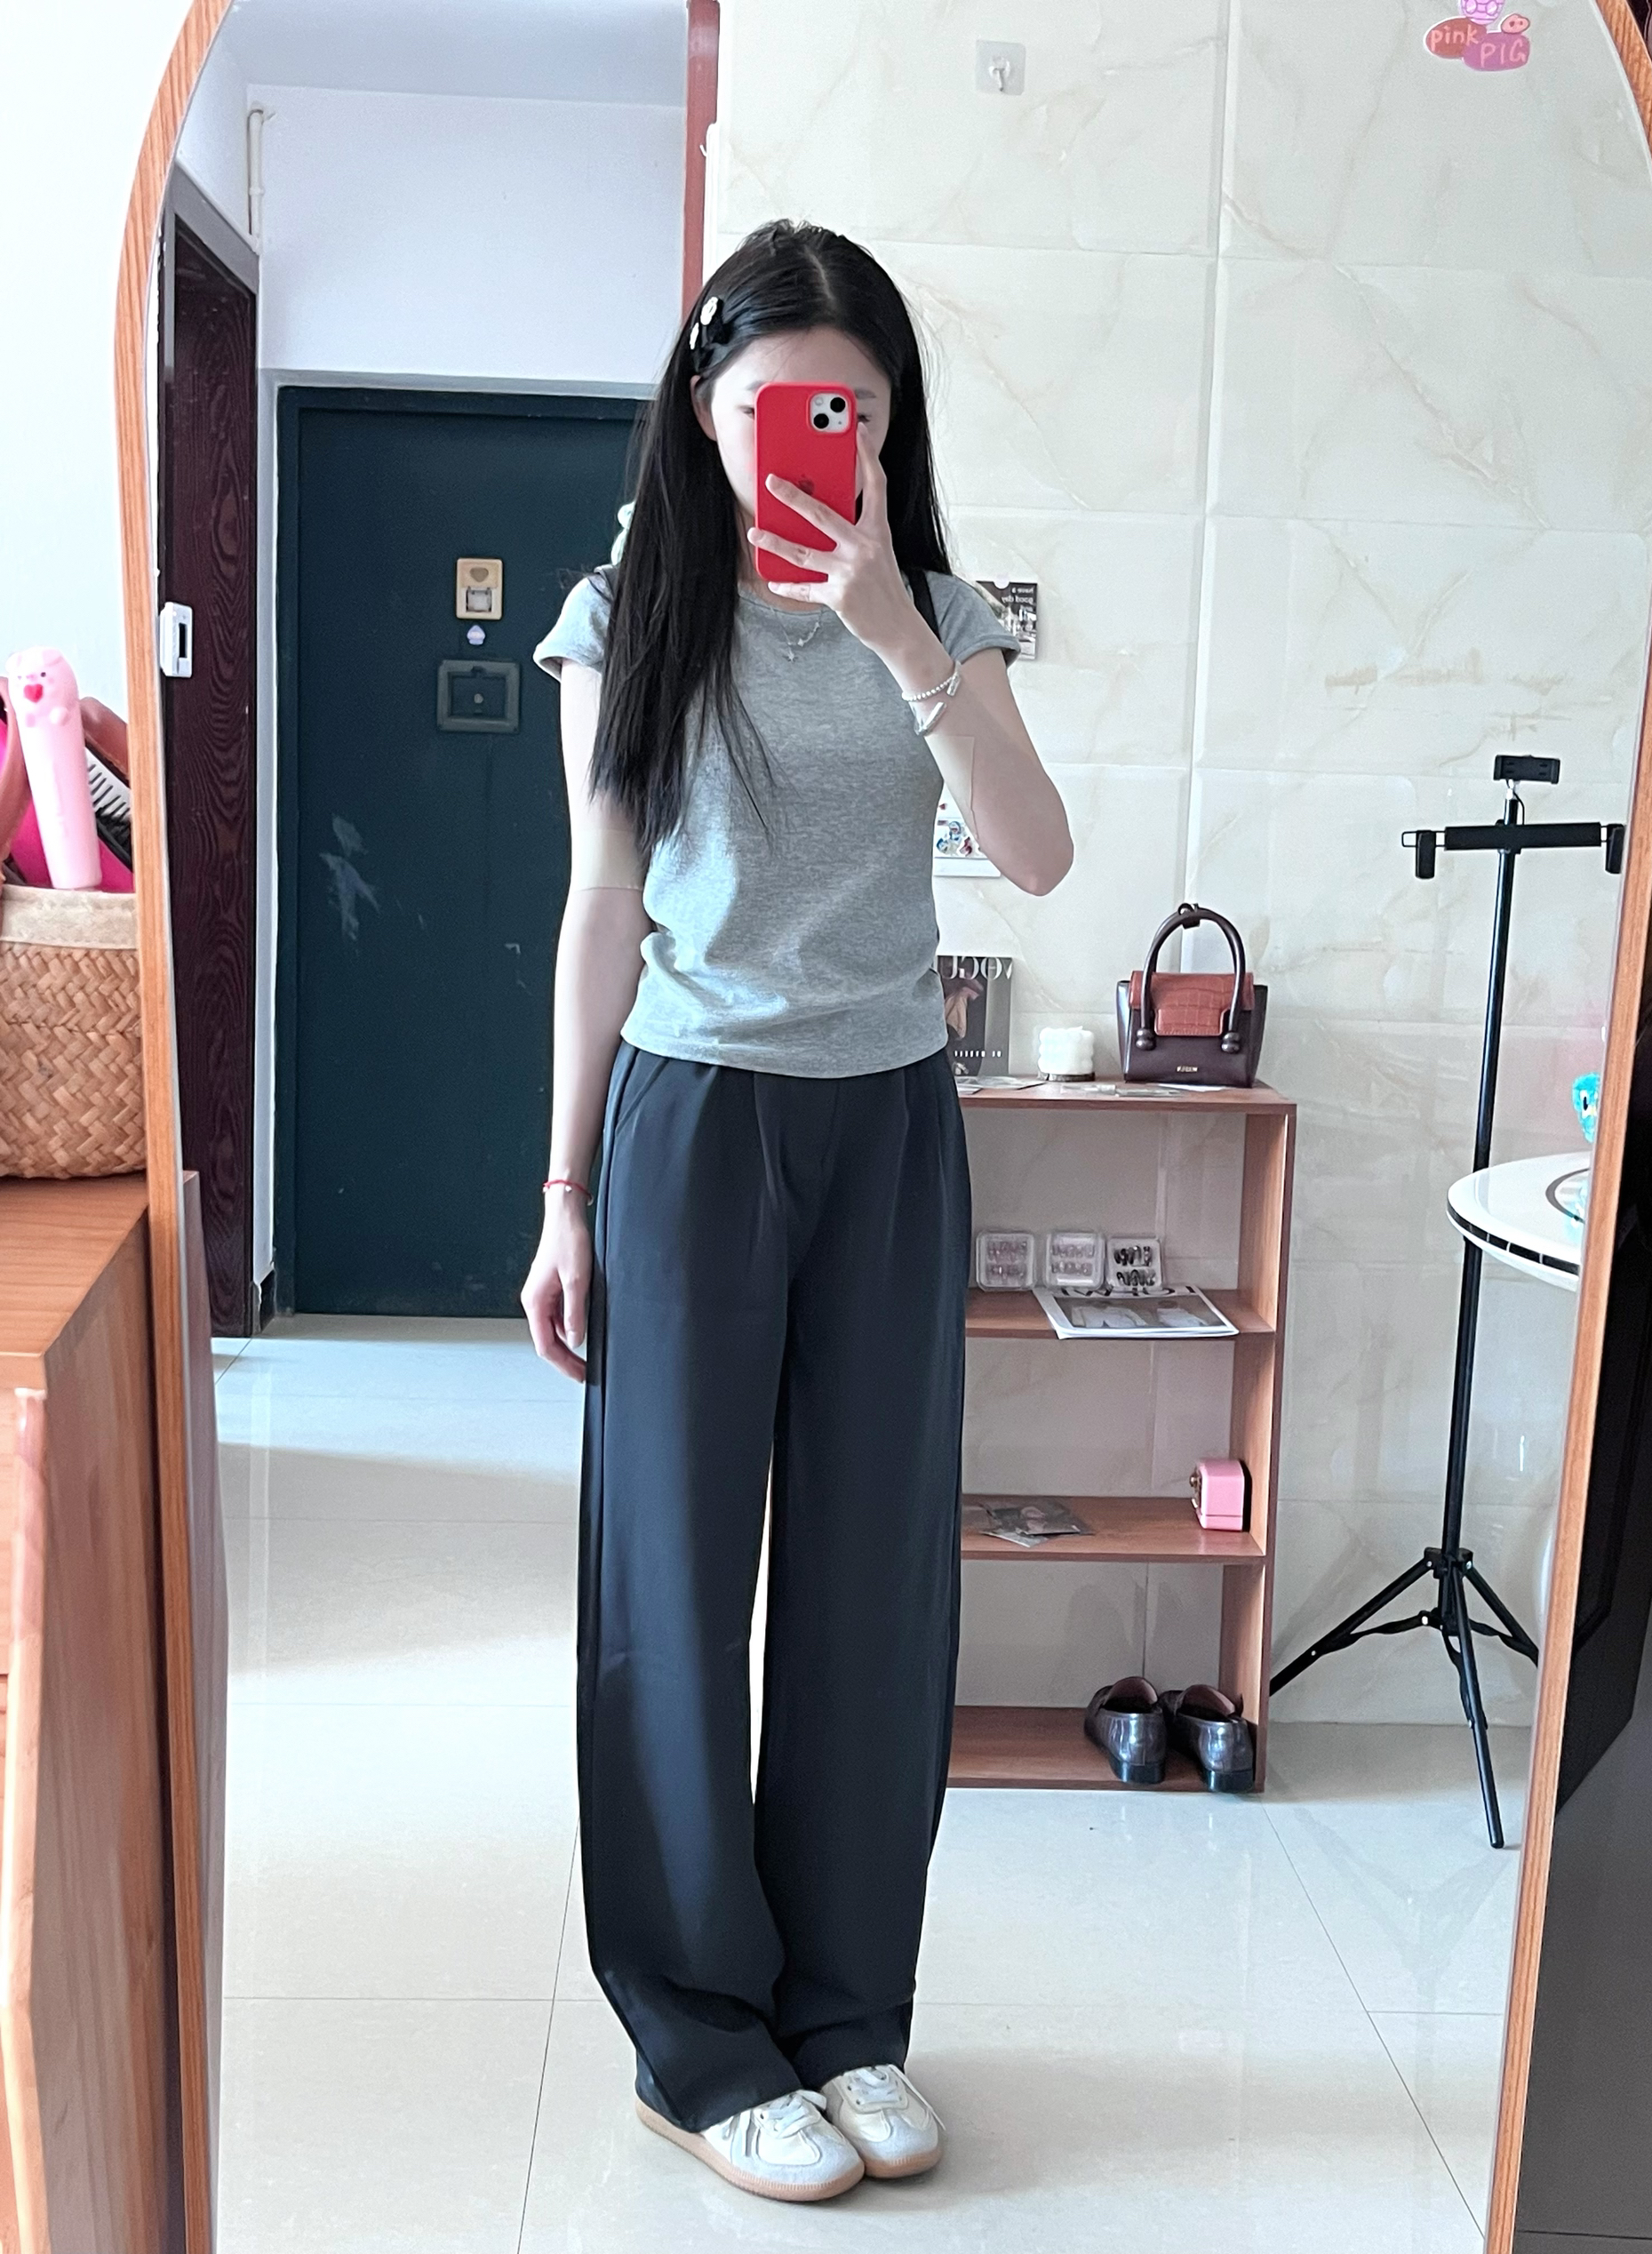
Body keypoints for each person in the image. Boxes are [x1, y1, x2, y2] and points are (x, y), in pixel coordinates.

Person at [524, 218, 1073, 2206]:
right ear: (704, 409)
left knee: (872, 1582)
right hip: (686, 1121)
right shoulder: (623, 615)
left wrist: (905, 641)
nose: (811, 439)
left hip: (890, 1123)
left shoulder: (939, 612)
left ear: (891, 421)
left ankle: (847, 2018)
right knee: (671, 1582)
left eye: (849, 408)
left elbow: (1037, 853)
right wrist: (563, 1190)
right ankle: (699, 2040)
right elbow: (601, 906)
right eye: (773, 407)